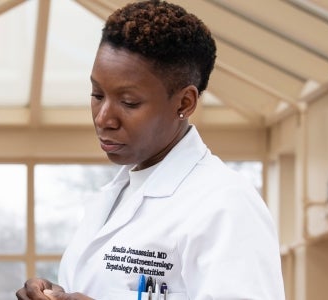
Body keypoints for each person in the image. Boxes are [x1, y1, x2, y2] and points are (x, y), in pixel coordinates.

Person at [17, 1, 285, 299]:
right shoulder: (115, 195)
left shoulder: (225, 205)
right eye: (97, 94)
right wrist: (59, 294)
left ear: (184, 103)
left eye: (129, 102)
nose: (103, 117)